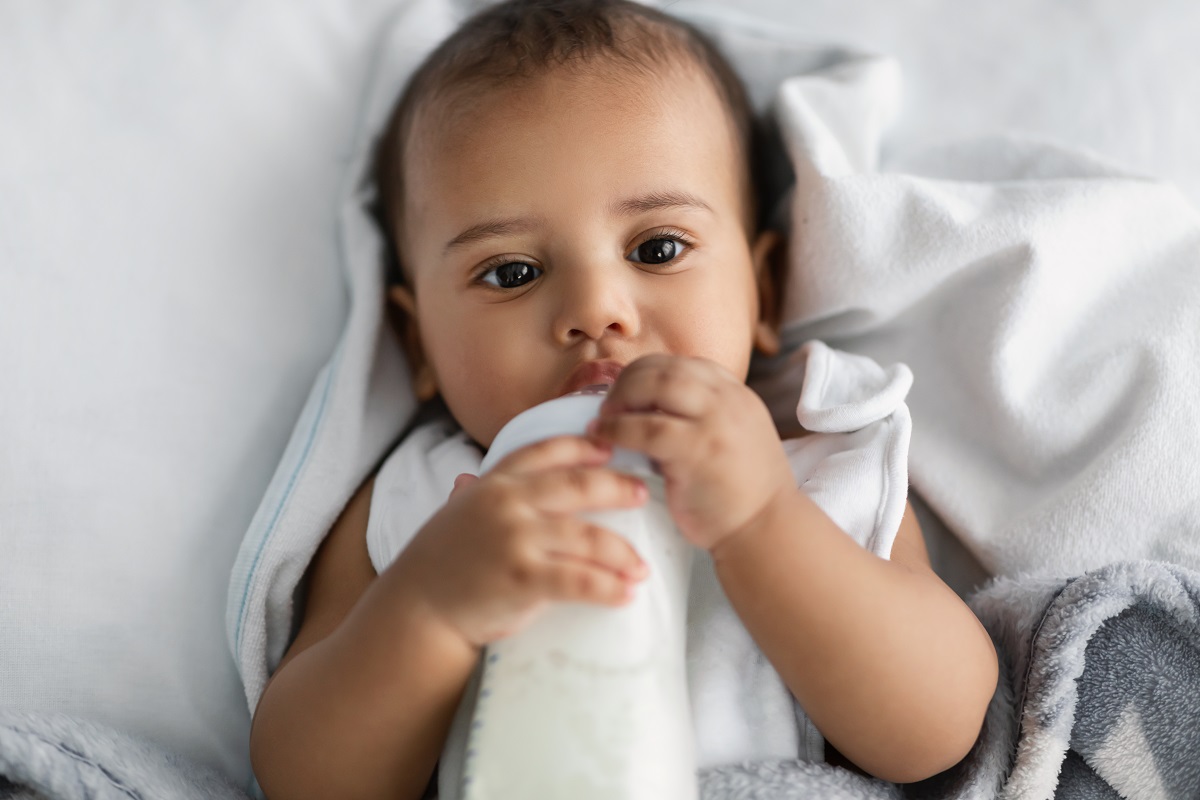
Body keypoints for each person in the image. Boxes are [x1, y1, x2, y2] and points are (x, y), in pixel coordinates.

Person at [249, 1, 999, 798]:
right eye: (512, 272)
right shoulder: (423, 506)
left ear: (764, 293)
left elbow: (939, 730)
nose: (596, 309)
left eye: (658, 248)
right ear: (420, 345)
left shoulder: (817, 467)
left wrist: (763, 523)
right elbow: (303, 779)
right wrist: (430, 609)